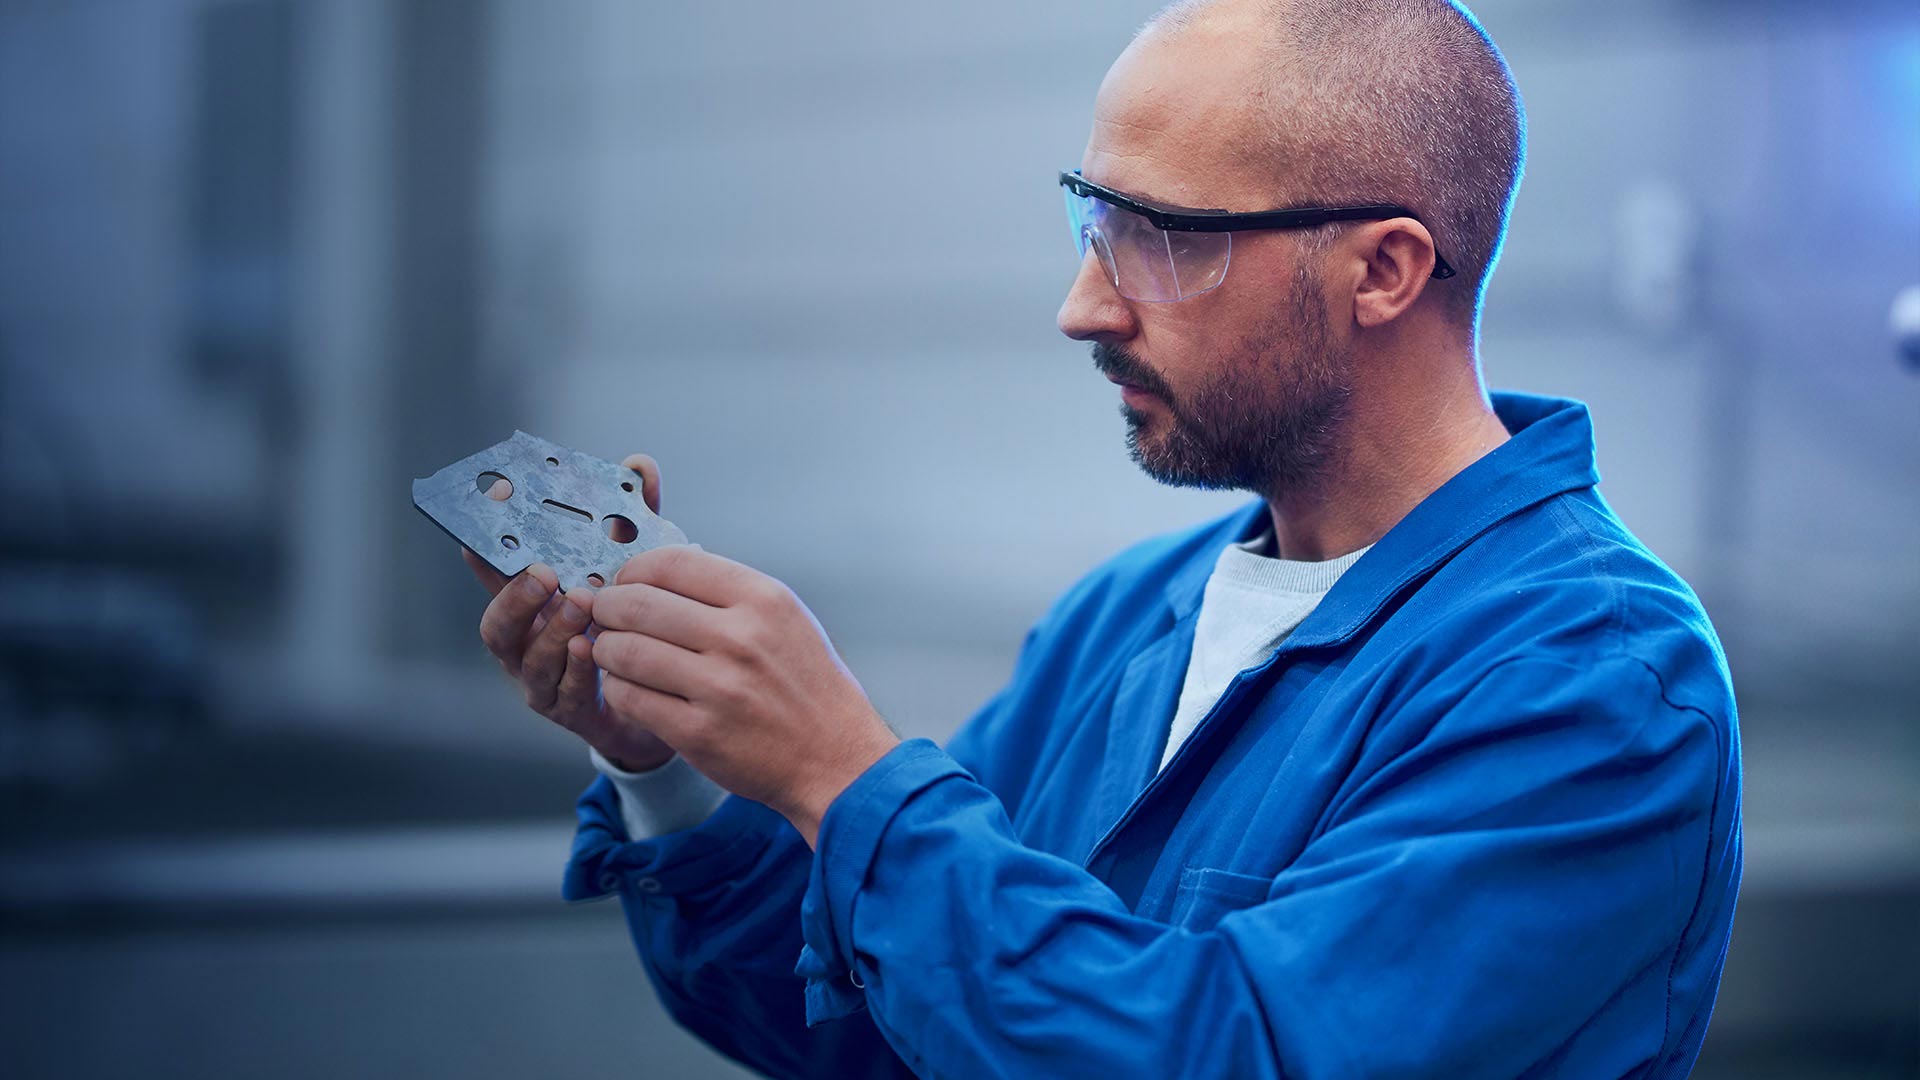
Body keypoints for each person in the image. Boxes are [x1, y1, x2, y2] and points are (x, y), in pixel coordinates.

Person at [464, 0, 1742, 1075]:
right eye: (1093, 221)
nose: (1083, 306)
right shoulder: (1131, 615)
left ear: (1386, 271)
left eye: (1164, 239)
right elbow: (874, 1033)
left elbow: (1237, 1053)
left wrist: (846, 780)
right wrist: (666, 763)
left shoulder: (1596, 685)